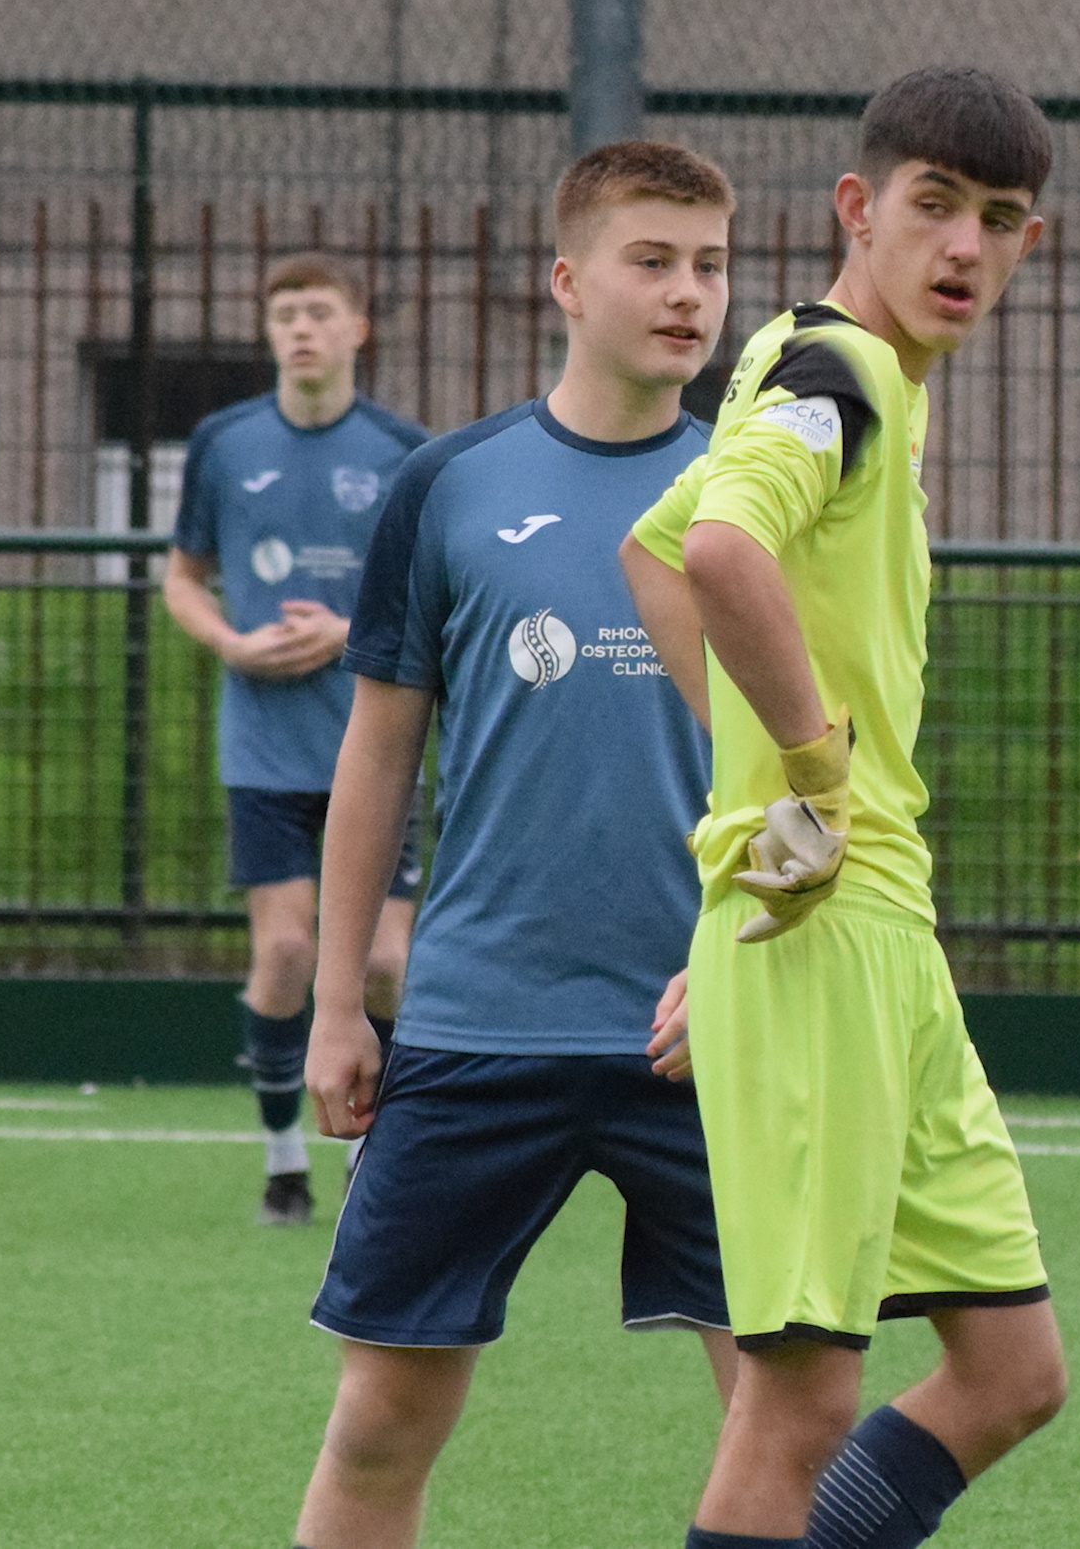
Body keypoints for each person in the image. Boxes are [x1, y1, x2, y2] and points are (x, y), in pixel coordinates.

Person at [622, 66, 1068, 1549]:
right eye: (934, 207)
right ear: (859, 210)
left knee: (1009, 1369)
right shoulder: (842, 374)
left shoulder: (824, 372)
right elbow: (726, 551)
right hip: (831, 926)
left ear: (1028, 244)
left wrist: (747, 854)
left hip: (865, 924)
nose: (963, 247)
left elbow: (657, 546)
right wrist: (805, 783)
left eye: (997, 221)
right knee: (802, 1402)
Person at [292, 140, 742, 1549]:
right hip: (481, 1022)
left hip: (713, 1027)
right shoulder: (451, 483)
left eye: (713, 264)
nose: (690, 293)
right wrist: (338, 998)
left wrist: (755, 954)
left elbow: (826, 765)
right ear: (567, 279)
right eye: (652, 259)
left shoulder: (758, 492)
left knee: (791, 1413)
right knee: (381, 1417)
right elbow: (375, 753)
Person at [163, 252, 428, 1226]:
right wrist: (233, 638)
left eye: (319, 312)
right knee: (283, 953)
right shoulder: (224, 443)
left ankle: (374, 1155)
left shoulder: (405, 452)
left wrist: (350, 635)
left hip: (375, 743)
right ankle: (283, 1161)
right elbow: (183, 576)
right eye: (284, 315)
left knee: (388, 962)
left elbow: (429, 599)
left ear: (358, 328)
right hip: (266, 749)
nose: (300, 330)